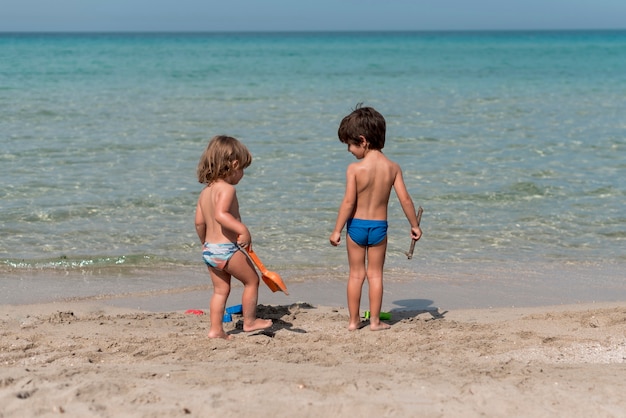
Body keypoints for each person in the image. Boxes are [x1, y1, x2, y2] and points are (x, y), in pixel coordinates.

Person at [330, 105, 422, 331]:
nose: (349, 150)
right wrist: (414, 225)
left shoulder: (354, 169)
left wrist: (337, 230)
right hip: (379, 228)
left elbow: (348, 203)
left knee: (355, 275)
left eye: (350, 145)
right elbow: (406, 200)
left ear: (363, 141)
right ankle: (374, 322)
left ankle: (353, 322)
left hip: (356, 227)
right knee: (375, 274)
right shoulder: (392, 167)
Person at [195, 135, 272, 339]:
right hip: (226, 250)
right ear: (235, 165)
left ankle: (216, 329)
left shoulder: (205, 192)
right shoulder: (227, 189)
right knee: (252, 281)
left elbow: (199, 222)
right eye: (243, 169)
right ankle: (249, 321)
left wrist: (204, 242)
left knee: (220, 291)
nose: (242, 174)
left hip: (210, 250)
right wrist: (242, 230)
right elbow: (221, 215)